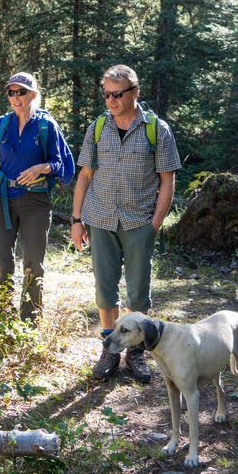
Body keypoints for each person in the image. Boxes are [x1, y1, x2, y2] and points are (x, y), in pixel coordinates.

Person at [71, 64, 181, 383]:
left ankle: (136, 352)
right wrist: (77, 220)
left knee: (138, 294)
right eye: (106, 93)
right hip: (101, 218)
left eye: (117, 94)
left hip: (138, 221)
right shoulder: (98, 127)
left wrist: (155, 223)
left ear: (135, 92)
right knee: (105, 290)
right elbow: (85, 176)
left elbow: (168, 180)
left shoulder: (156, 129)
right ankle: (110, 351)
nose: (111, 100)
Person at [0, 72, 75, 322]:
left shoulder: (46, 126)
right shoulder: (1, 124)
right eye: (11, 92)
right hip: (2, 200)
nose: (15, 97)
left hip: (36, 203)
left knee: (33, 263)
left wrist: (41, 168)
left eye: (21, 92)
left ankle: (29, 322)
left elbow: (60, 163)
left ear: (34, 95)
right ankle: (3, 322)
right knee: (2, 262)